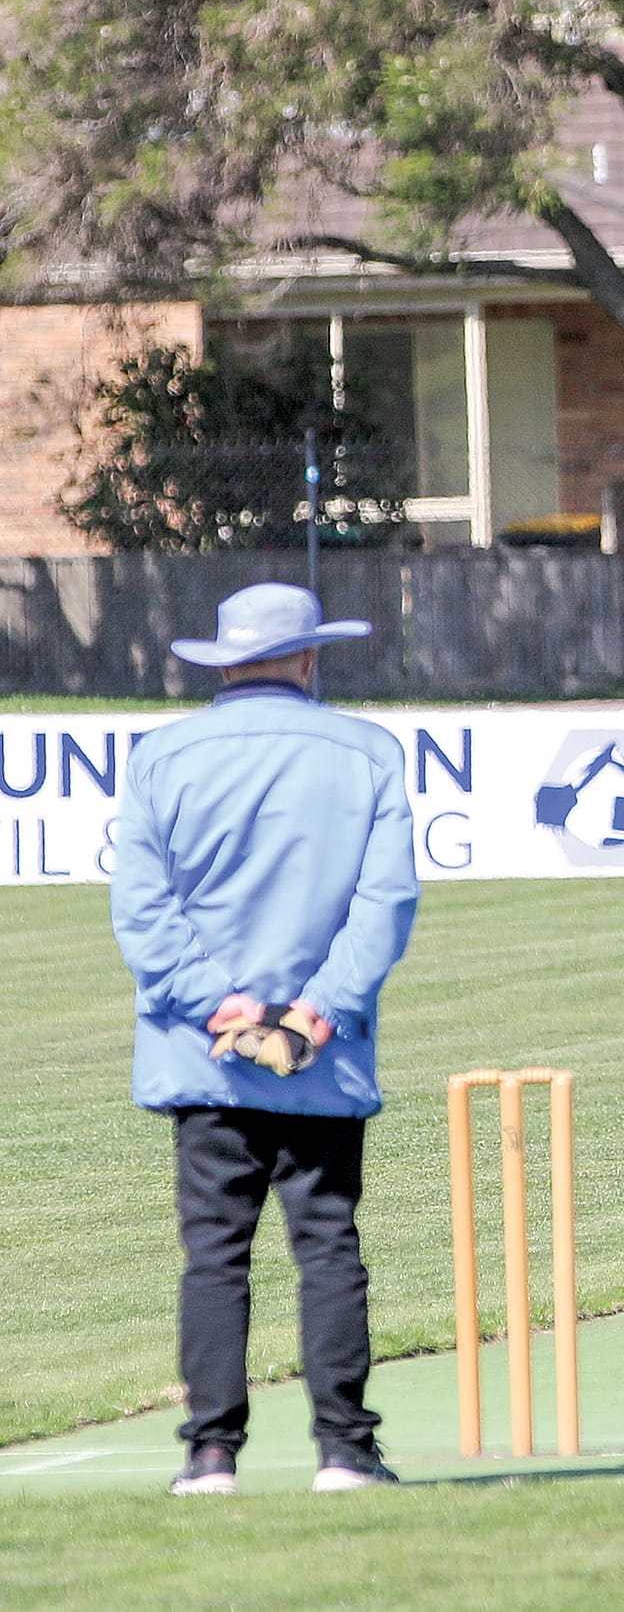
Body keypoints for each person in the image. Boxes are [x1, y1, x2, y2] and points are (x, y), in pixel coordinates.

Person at [111, 583, 419, 1494]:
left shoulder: (163, 755)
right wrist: (318, 1009)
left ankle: (211, 1453)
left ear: (224, 660)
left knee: (216, 1252)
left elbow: (143, 907)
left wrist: (220, 1008)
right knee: (327, 1242)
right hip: (322, 1053)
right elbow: (385, 899)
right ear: (310, 658)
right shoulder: (366, 751)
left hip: (203, 1053)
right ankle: (346, 1450)